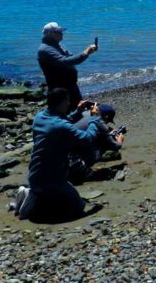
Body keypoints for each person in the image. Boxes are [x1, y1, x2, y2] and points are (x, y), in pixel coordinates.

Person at [14, 88, 101, 223]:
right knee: (78, 206)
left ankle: (33, 193)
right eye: (67, 102)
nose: (68, 104)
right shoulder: (60, 125)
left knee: (56, 194)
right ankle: (33, 202)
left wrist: (78, 112)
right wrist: (94, 118)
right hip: (53, 181)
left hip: (34, 175)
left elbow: (60, 122)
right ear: (61, 103)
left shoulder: (40, 117)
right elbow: (88, 138)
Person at [37, 22, 97, 111]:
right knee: (65, 113)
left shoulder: (58, 45)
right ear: (50, 34)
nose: (61, 33)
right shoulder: (45, 49)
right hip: (59, 88)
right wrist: (86, 52)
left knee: (79, 109)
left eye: (61, 31)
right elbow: (65, 61)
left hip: (70, 85)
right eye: (58, 32)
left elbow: (71, 58)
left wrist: (87, 53)